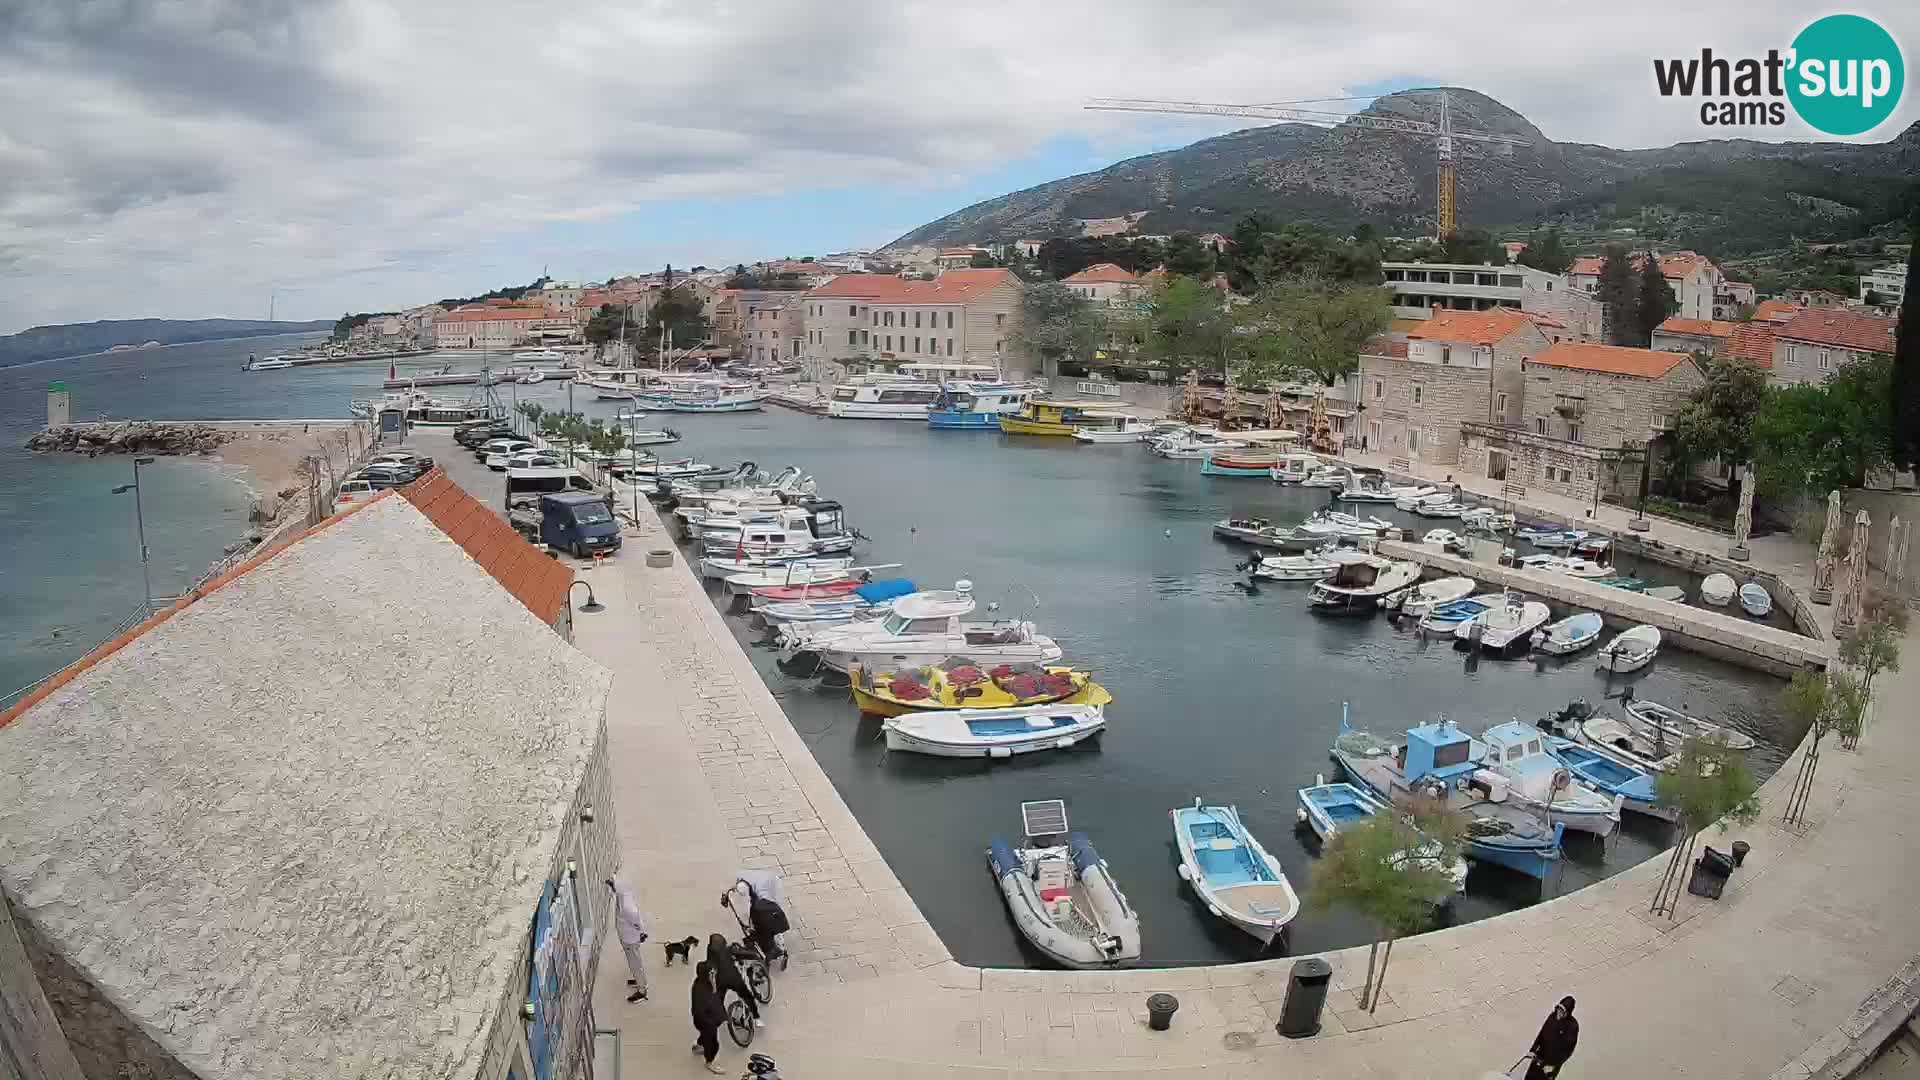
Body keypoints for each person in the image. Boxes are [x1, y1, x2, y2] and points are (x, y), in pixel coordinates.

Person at [607, 877, 650, 1003]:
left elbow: (637, 922)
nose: (613, 888)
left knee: (635, 964)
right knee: (634, 962)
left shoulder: (627, 907)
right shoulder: (623, 896)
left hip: (630, 939)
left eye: (614, 886)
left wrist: (641, 933)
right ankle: (639, 980)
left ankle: (642, 990)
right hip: (627, 937)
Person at [708, 932, 762, 1028]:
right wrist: (755, 955)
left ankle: (719, 1018)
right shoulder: (728, 950)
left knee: (718, 999)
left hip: (720, 980)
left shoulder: (710, 951)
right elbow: (743, 953)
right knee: (747, 996)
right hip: (733, 979)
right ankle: (756, 1018)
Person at [1525, 996, 1579, 1079]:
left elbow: (1567, 1051)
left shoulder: (1572, 1026)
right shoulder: (1552, 1017)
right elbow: (1541, 1034)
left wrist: (1553, 1066)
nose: (1559, 1012)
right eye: (1559, 1009)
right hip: (1539, 1056)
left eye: (1562, 1011)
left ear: (1568, 1012)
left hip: (1551, 1065)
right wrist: (1532, 1050)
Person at [689, 961, 726, 1075]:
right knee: (713, 1042)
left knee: (705, 1035)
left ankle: (698, 1046)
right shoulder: (701, 991)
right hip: (706, 1021)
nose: (714, 976)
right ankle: (709, 1062)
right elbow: (701, 1010)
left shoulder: (703, 982)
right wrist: (712, 1022)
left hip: (706, 1020)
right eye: (711, 973)